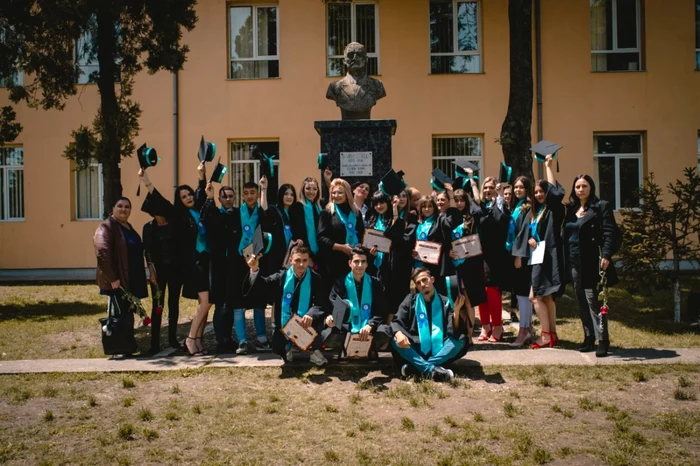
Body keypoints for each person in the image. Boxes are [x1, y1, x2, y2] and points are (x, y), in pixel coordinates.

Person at [139, 164, 212, 356]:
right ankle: (186, 340)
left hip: (202, 263)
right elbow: (162, 202)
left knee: (199, 302)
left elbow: (202, 194)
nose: (188, 198)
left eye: (189, 195)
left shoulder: (198, 210)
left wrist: (201, 176)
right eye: (183, 196)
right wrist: (147, 182)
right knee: (200, 302)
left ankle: (193, 340)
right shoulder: (179, 216)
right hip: (191, 264)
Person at [563, 174, 619, 357]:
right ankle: (589, 337)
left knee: (594, 301)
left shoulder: (600, 206)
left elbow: (610, 232)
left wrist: (607, 255)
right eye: (577, 186)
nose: (581, 190)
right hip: (573, 261)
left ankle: (603, 340)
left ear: (591, 187)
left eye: (584, 186)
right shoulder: (571, 209)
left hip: (592, 261)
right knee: (581, 301)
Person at [243, 245, 328, 365]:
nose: (301, 265)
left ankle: (314, 351)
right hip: (285, 325)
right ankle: (289, 347)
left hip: (307, 324)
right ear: (290, 260)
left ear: (308, 261)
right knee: (277, 347)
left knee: (320, 325)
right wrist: (255, 270)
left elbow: (321, 303)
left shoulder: (315, 278)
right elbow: (264, 285)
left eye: (304, 260)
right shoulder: (282, 277)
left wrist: (310, 314)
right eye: (297, 260)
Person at [391, 267, 468, 382]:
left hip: (440, 348)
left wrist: (456, 311)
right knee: (394, 339)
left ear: (432, 279)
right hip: (416, 347)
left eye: (425, 280)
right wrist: (398, 334)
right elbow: (396, 321)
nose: (422, 284)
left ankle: (416, 368)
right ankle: (433, 370)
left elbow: (455, 330)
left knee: (461, 339)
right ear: (416, 286)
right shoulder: (410, 300)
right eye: (418, 283)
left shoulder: (446, 302)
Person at [94, 197, 148, 357]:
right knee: (118, 314)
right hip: (118, 280)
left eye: (127, 207)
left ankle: (127, 346)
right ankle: (117, 348)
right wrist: (113, 278)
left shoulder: (127, 227)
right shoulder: (107, 227)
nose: (124, 209)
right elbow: (101, 253)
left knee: (127, 312)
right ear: (113, 208)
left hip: (131, 278)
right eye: (120, 206)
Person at [525, 155, 566, 349]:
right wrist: (531, 240)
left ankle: (545, 334)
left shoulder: (553, 210)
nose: (539, 195)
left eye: (542, 191)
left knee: (535, 296)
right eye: (536, 192)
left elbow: (556, 195)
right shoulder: (537, 212)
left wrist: (548, 167)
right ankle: (553, 334)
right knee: (546, 296)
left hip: (548, 256)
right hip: (539, 256)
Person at [324, 247, 393, 358]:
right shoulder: (339, 283)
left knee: (385, 331)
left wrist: (370, 325)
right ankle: (344, 349)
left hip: (369, 328)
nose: (360, 265)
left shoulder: (375, 283)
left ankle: (370, 348)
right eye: (356, 261)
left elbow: (381, 309)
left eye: (363, 261)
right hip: (346, 328)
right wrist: (331, 320)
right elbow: (332, 307)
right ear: (350, 263)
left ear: (367, 264)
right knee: (328, 336)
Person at [474, 176, 512, 342]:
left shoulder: (500, 204)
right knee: (480, 290)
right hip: (479, 254)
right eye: (485, 188)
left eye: (490, 187)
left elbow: (502, 220)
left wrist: (499, 196)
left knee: (492, 291)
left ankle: (497, 327)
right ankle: (485, 326)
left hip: (495, 255)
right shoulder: (481, 207)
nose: (488, 190)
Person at [142, 213, 180, 354]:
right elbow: (147, 252)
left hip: (175, 272)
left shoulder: (173, 225)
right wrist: (151, 271)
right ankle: (155, 343)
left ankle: (173, 339)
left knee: (173, 304)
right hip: (157, 273)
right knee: (158, 305)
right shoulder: (149, 227)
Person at [364, 192, 406, 320]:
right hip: (374, 267)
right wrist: (370, 254)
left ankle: (389, 329)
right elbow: (365, 245)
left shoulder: (393, 221)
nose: (379, 206)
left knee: (390, 298)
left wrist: (394, 209)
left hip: (390, 265)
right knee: (376, 298)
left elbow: (397, 235)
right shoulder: (371, 221)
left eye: (381, 202)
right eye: (376, 204)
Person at [411, 191, 461, 296]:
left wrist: (448, 251)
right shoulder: (418, 223)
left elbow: (445, 240)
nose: (427, 209)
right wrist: (413, 252)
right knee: (422, 294)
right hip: (420, 263)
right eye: (424, 207)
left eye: (430, 206)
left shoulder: (439, 221)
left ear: (434, 208)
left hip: (436, 265)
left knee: (438, 293)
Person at [318, 178, 366, 286]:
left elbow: (362, 233)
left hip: (354, 260)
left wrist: (360, 245)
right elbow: (321, 238)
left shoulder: (356, 213)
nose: (336, 195)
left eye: (340, 192)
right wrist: (341, 247)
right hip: (333, 263)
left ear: (347, 194)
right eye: (333, 193)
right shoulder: (327, 213)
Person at [450, 187, 486, 330]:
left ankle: (470, 335)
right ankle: (459, 331)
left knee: (468, 299)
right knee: (458, 300)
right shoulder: (449, 219)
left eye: (461, 200)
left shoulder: (471, 219)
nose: (459, 203)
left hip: (468, 264)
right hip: (454, 264)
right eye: (456, 201)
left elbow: (478, 210)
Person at [508, 176, 536, 347]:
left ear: (527, 189)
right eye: (515, 187)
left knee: (523, 294)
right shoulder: (518, 206)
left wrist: (519, 255)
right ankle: (529, 327)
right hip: (516, 252)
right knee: (521, 294)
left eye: (521, 187)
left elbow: (524, 233)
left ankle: (523, 331)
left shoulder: (527, 208)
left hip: (523, 255)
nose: (517, 190)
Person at [209, 185, 237, 353]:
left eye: (230, 196)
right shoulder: (215, 215)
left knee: (231, 304)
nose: (227, 199)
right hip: (218, 265)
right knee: (221, 305)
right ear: (219, 199)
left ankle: (228, 337)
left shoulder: (237, 214)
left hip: (233, 265)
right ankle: (221, 340)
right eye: (224, 196)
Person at [262, 180, 297, 271]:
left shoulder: (295, 214)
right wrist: (263, 189)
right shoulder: (274, 210)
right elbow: (264, 209)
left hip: (292, 257)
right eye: (286, 194)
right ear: (281, 195)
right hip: (276, 257)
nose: (289, 197)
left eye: (292, 195)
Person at [290, 176, 323, 266]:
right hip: (304, 252)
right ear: (303, 190)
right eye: (308, 188)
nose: (311, 192)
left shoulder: (319, 207)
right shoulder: (297, 206)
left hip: (321, 252)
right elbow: (296, 231)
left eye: (314, 189)